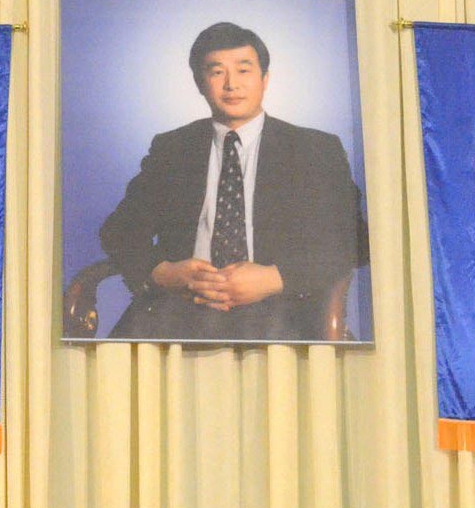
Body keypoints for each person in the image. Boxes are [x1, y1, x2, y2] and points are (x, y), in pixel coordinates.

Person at [99, 21, 369, 342]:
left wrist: (276, 278)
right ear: (200, 83)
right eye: (217, 72)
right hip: (179, 307)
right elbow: (120, 230)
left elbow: (354, 239)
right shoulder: (173, 148)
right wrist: (163, 272)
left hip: (281, 308)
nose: (231, 85)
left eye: (243, 70)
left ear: (265, 79)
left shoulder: (315, 149)